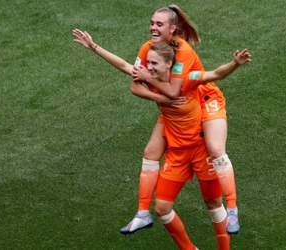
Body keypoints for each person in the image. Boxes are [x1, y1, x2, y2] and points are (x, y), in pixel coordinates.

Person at [72, 4, 240, 235]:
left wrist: (159, 92)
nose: (152, 27)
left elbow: (174, 91)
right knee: (150, 152)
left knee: (214, 148)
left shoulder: (183, 53)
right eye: (152, 22)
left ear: (173, 29)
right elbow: (132, 76)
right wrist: (94, 47)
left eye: (158, 24)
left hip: (203, 99)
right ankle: (142, 213)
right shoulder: (151, 50)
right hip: (176, 108)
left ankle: (232, 208)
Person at [139, 41, 251, 249]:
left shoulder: (187, 79)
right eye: (148, 63)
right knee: (162, 208)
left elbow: (215, 75)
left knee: (213, 203)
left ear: (169, 64)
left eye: (154, 63)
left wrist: (235, 64)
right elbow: (124, 67)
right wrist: (94, 47)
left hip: (200, 149)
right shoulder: (150, 79)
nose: (149, 66)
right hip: (178, 152)